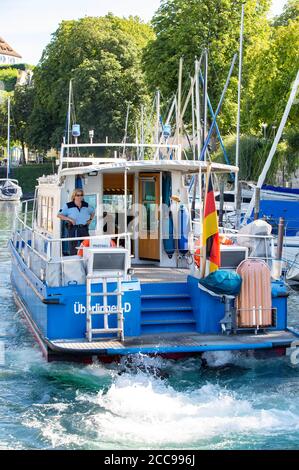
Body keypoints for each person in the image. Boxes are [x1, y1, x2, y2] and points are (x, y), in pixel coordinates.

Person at [57, 189, 95, 255]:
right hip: (73, 229)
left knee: (86, 245)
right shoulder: (68, 205)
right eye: (78, 195)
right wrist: (70, 219)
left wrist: (90, 220)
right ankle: (74, 261)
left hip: (84, 229)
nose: (80, 197)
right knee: (73, 247)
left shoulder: (86, 205)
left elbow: (93, 212)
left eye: (81, 195)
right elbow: (59, 215)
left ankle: (86, 260)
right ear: (74, 196)